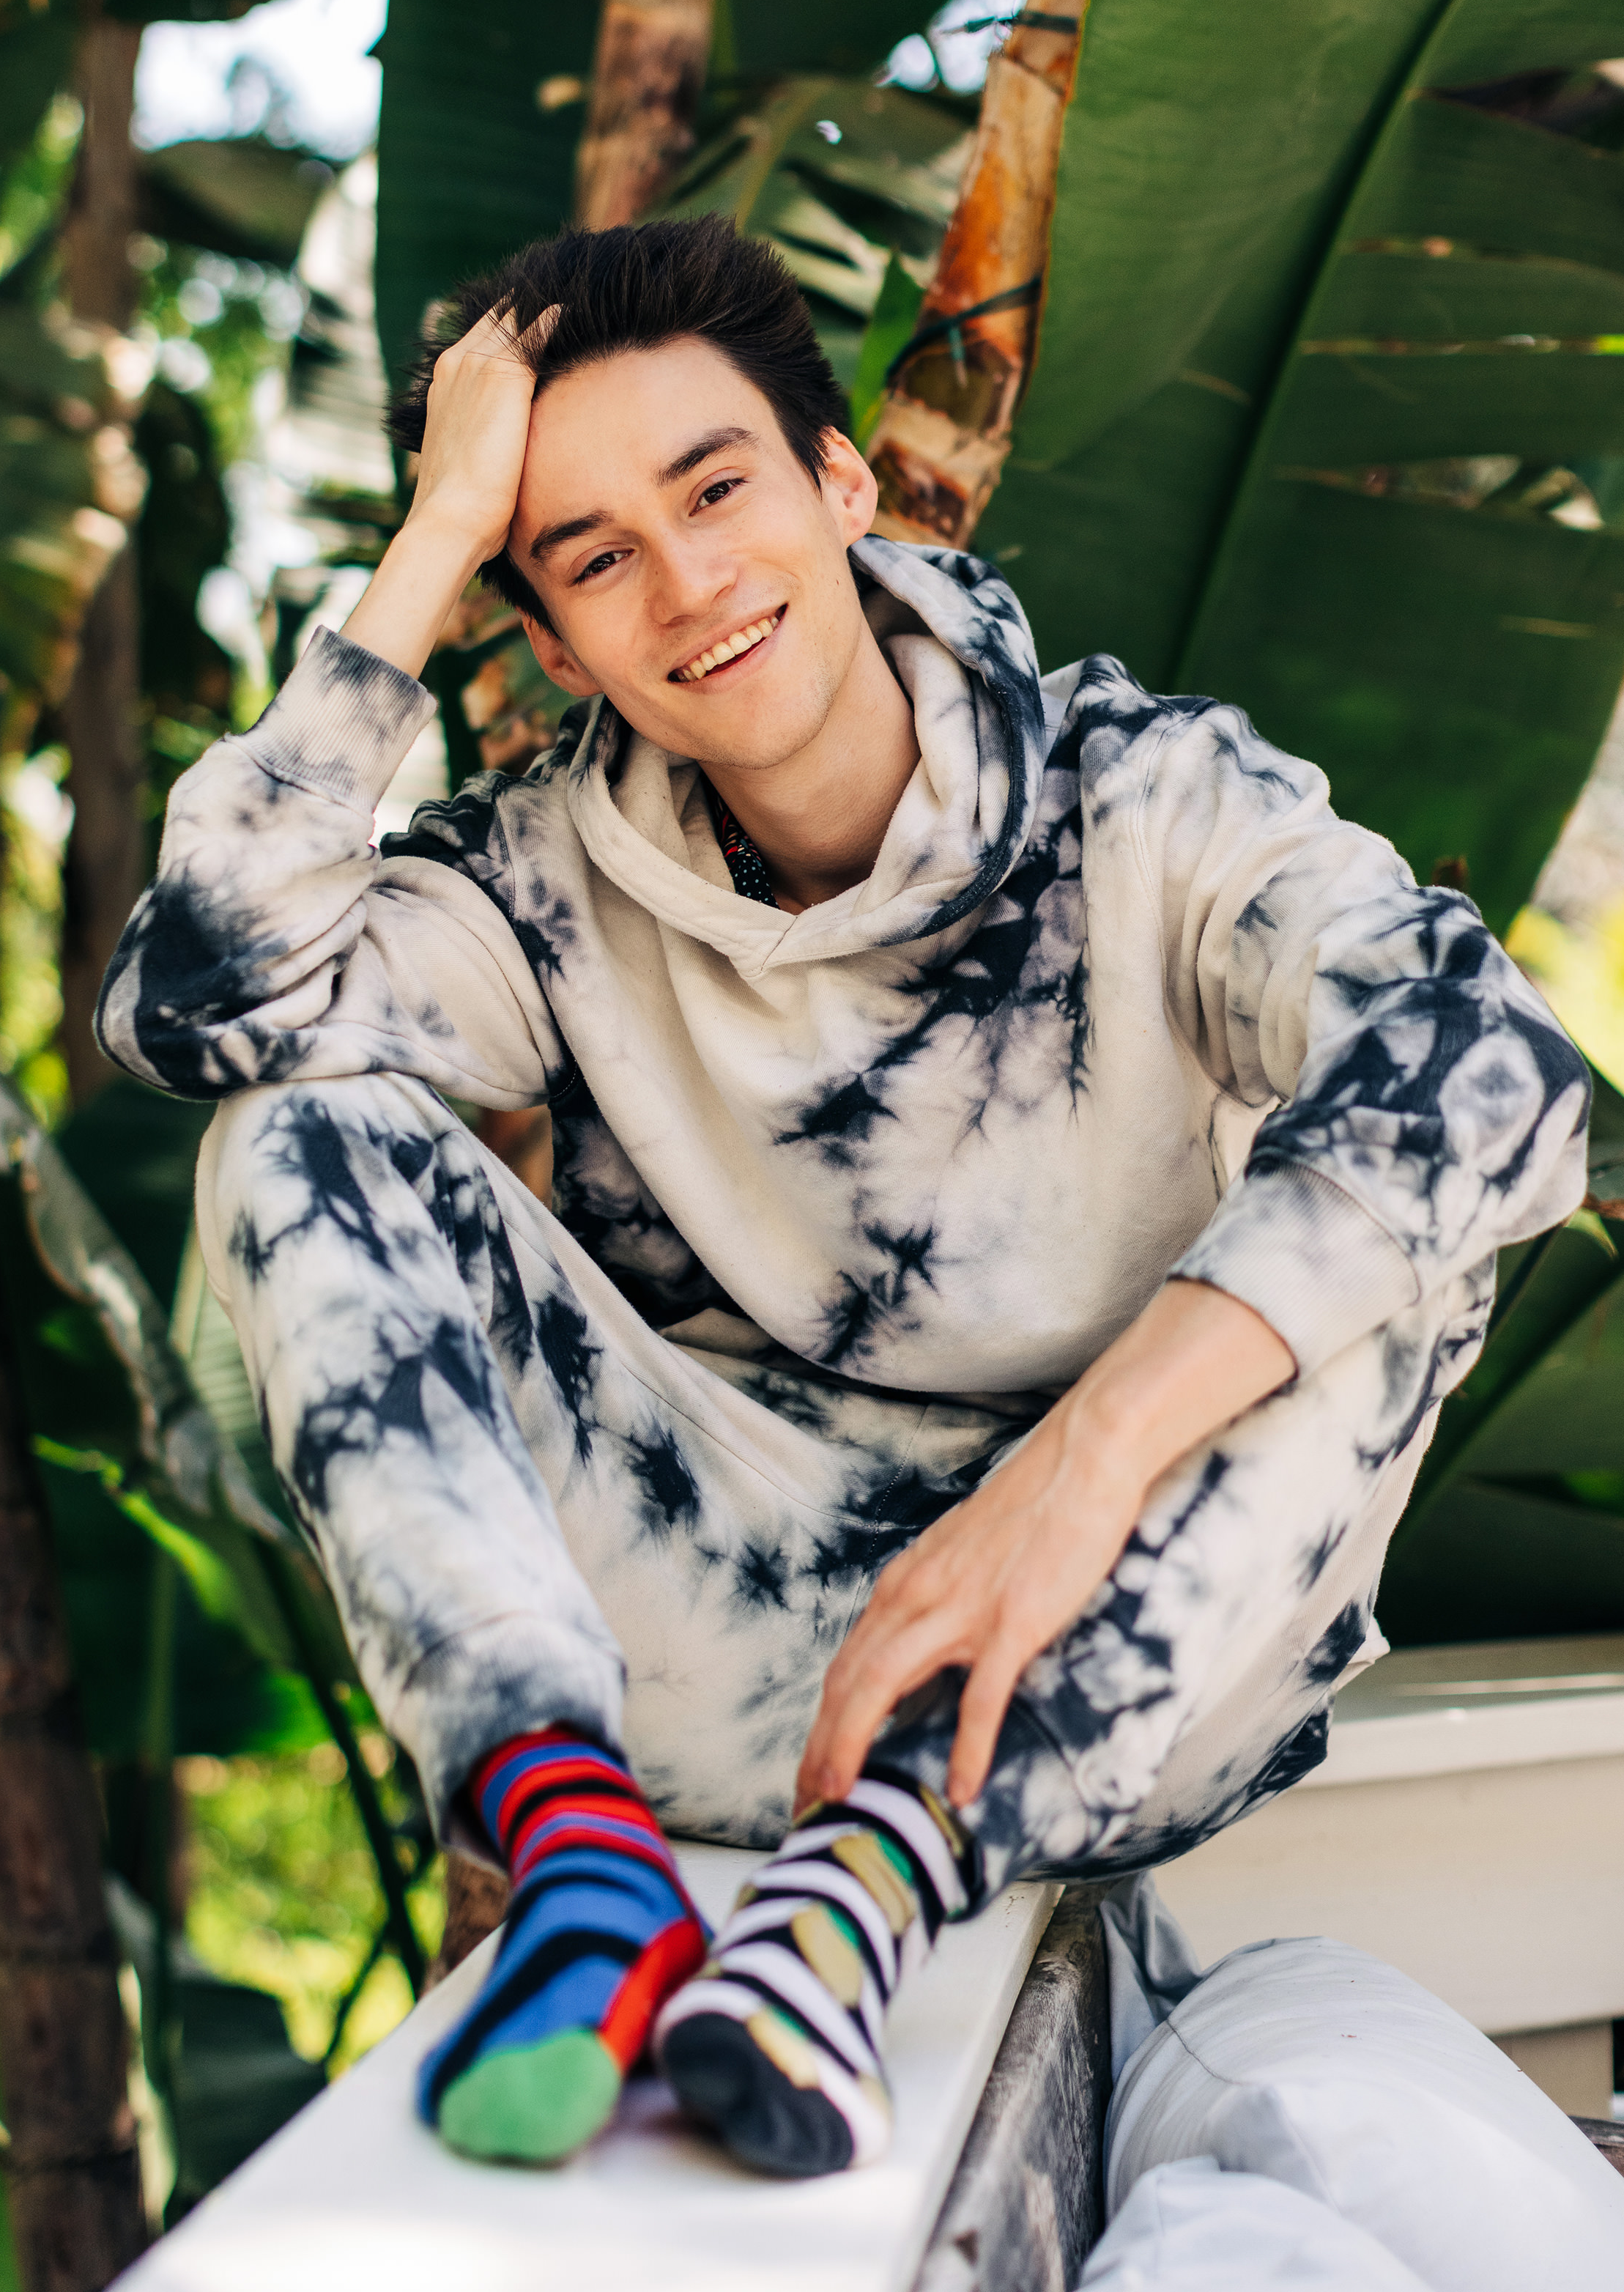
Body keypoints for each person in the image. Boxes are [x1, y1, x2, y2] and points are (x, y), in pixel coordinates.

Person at [98, 215, 1587, 2181]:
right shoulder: (545, 879)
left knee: (1408, 1232)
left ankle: (863, 1896)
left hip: (1112, 1660)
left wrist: (1074, 1472)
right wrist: (441, 528)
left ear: (840, 480)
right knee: (291, 1130)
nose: (687, 584)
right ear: (549, 644)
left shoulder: (1141, 797)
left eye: (716, 489)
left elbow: (1493, 1065)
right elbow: (196, 1006)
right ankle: (579, 1863)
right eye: (591, 558)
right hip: (710, 1640)